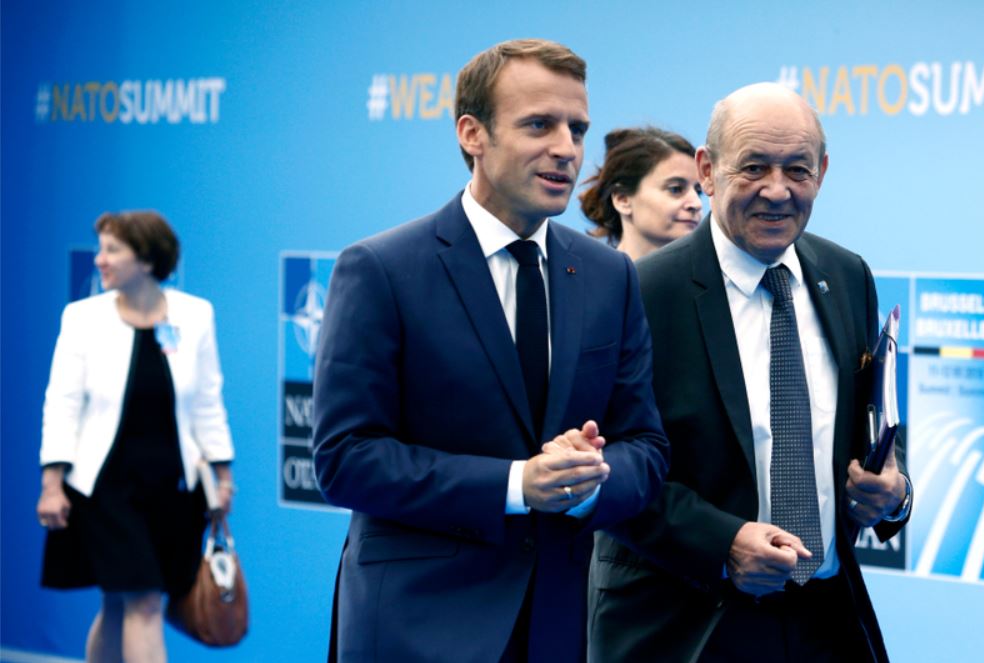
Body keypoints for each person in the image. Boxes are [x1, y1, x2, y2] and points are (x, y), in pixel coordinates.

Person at [311, 38, 669, 662]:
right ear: (472, 134)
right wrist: (517, 483)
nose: (566, 147)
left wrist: (586, 481)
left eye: (577, 127)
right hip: (416, 628)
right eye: (539, 124)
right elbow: (345, 457)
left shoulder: (609, 276)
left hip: (561, 627)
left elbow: (646, 446)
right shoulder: (382, 269)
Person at [586, 83, 913, 662]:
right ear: (707, 171)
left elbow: (872, 426)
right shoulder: (638, 292)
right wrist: (723, 543)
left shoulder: (847, 274)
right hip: (683, 624)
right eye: (754, 167)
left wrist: (894, 492)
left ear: (823, 171)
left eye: (798, 169)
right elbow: (605, 469)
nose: (777, 190)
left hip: (825, 619)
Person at [38, 211, 235, 663]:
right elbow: (62, 402)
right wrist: (51, 485)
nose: (99, 260)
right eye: (99, 248)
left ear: (146, 260)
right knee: (142, 603)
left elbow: (207, 401)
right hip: (105, 490)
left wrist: (223, 479)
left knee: (119, 602)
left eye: (112, 250)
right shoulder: (82, 318)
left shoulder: (196, 315)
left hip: (172, 488)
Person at [580, 127, 702, 261]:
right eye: (675, 189)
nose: (696, 204)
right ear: (623, 199)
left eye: (698, 191)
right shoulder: (587, 279)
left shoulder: (717, 279)